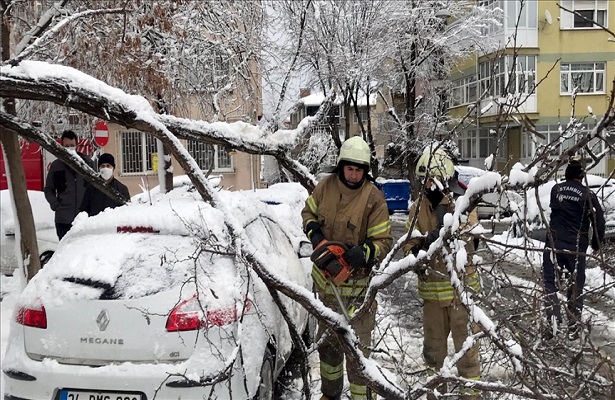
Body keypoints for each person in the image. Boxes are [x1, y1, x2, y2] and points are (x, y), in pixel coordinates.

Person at [301, 136, 393, 400]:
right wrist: (316, 235)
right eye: (349, 168)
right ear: (341, 167)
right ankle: (330, 394)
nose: (353, 174)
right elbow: (308, 213)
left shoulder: (373, 198)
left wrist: (363, 253)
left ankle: (361, 398)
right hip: (326, 287)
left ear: (365, 171)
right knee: (328, 348)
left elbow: (384, 242)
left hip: (358, 292)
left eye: (359, 170)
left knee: (358, 353)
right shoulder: (325, 187)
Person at [401, 147, 481, 400]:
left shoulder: (462, 204)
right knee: (433, 356)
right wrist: (426, 244)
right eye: (423, 180)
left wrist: (451, 229)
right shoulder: (416, 210)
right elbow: (408, 251)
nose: (427, 185)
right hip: (433, 299)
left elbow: (473, 242)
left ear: (444, 177)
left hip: (462, 296)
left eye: (431, 179)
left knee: (467, 357)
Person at [542, 160, 605, 341]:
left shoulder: (556, 190)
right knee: (575, 285)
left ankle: (553, 321)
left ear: (567, 174)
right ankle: (573, 325)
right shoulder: (588, 195)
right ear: (581, 176)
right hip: (576, 249)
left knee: (550, 283)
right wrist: (596, 243)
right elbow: (599, 221)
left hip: (553, 246)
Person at [44, 130, 94, 240]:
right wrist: (55, 204)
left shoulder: (87, 163)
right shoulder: (56, 166)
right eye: (66, 146)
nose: (69, 148)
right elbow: (48, 189)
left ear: (77, 145)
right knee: (65, 252)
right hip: (63, 220)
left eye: (72, 145)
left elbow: (95, 188)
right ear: (62, 146)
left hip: (84, 220)